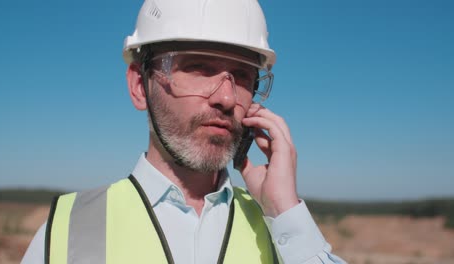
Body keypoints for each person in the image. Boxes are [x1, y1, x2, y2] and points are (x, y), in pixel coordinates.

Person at [22, 0, 346, 263]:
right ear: (139, 86)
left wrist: (285, 212)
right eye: (198, 68)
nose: (226, 98)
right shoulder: (66, 232)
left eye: (243, 76)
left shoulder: (283, 229)